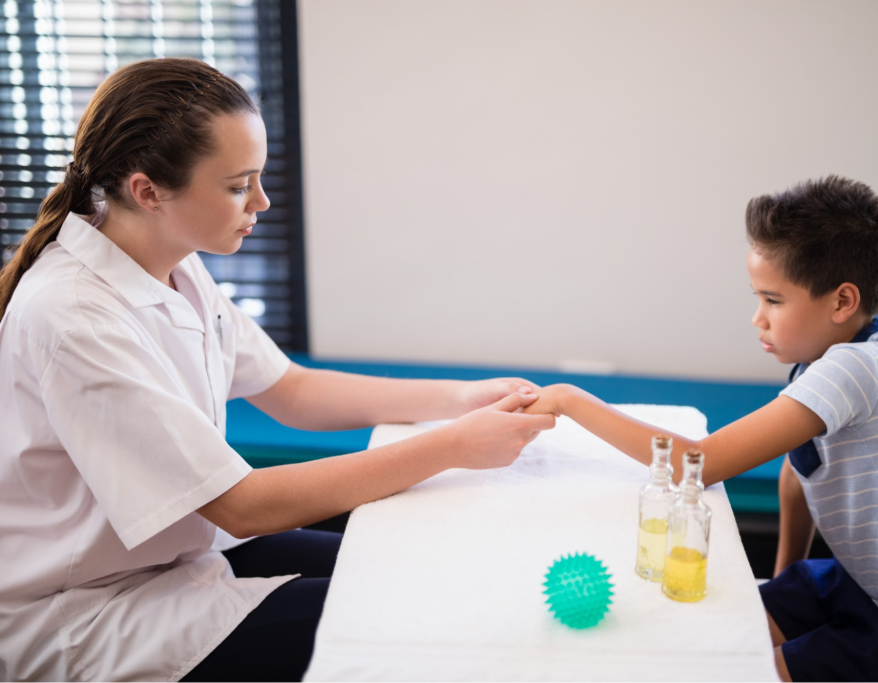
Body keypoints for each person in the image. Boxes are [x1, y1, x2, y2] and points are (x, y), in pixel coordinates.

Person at [0, 58, 555, 683]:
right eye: (239, 185)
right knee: (409, 612)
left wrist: (460, 398)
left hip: (175, 559)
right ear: (148, 190)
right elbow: (241, 506)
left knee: (411, 562)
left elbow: (290, 390)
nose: (261, 202)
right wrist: (455, 446)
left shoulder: (174, 263)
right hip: (90, 614)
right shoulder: (74, 315)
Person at [523, 176, 878, 682]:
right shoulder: (850, 344)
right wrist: (786, 577)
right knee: (718, 634)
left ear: (842, 302)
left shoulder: (854, 371)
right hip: (859, 587)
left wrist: (570, 400)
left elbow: (695, 464)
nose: (757, 319)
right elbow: (799, 474)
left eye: (773, 300)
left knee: (748, 668)